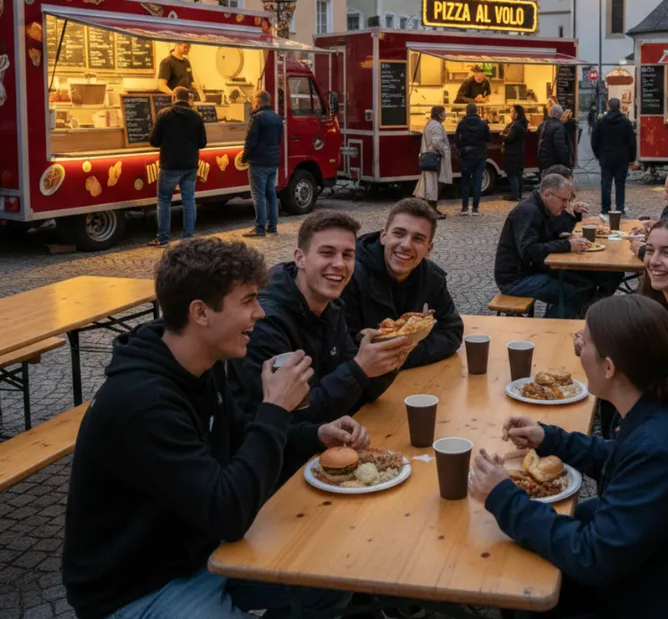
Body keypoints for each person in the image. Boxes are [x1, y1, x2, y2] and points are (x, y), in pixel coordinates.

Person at [62, 237, 365, 619]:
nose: (260, 313)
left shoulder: (204, 365)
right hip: (139, 588)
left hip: (203, 550)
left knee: (334, 577)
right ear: (201, 313)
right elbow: (229, 513)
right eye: (248, 301)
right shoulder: (143, 404)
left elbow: (240, 437)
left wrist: (314, 434)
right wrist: (274, 408)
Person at [468, 295, 668, 619]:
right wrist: (551, 439)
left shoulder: (659, 446)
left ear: (610, 367)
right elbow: (625, 457)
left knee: (530, 590)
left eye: (584, 342)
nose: (577, 348)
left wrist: (503, 497)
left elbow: (595, 557)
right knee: (568, 528)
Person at [229, 211, 409, 424]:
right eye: (327, 253)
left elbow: (360, 393)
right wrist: (359, 368)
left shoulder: (331, 307)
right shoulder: (266, 323)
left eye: (348, 255)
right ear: (300, 258)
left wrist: (387, 360)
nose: (340, 264)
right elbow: (293, 416)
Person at [343, 198, 463, 368]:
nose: (406, 245)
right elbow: (342, 345)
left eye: (418, 239)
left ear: (429, 249)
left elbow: (452, 332)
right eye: (399, 233)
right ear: (383, 236)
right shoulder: (350, 275)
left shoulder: (432, 278)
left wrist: (401, 354)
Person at [494, 173, 592, 319]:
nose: (566, 205)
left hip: (532, 270)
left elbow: (555, 231)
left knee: (585, 282)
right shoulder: (529, 212)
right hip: (515, 279)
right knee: (573, 294)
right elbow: (528, 251)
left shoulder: (542, 208)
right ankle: (548, 332)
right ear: (547, 194)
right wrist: (567, 245)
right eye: (563, 200)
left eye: (568, 200)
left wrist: (571, 225)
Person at [148, 86, 206, 247]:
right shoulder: (196, 116)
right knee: (189, 200)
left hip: (170, 165)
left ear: (173, 97)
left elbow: (153, 141)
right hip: (190, 165)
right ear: (188, 99)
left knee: (164, 201)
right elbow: (202, 143)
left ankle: (163, 237)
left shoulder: (164, 115)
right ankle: (188, 237)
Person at [242, 90, 284, 237]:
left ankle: (259, 228)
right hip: (272, 161)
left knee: (258, 195)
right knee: (271, 194)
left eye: (253, 101)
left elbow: (250, 141)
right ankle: (272, 226)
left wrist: (244, 157)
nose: (253, 104)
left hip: (258, 161)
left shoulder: (257, 118)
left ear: (258, 102)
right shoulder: (277, 118)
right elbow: (279, 139)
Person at [591, 97, 636, 216]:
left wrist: (598, 155)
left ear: (608, 106)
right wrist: (632, 157)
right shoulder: (626, 122)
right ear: (619, 106)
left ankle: (605, 208)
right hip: (622, 157)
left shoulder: (601, 122)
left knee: (606, 183)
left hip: (606, 157)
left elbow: (594, 140)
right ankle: (619, 207)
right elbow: (632, 141)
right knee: (620, 183)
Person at [414, 106, 452, 219]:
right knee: (435, 185)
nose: (445, 115)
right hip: (435, 158)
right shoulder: (436, 126)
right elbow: (437, 143)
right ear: (439, 114)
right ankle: (431, 210)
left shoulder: (430, 124)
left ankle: (430, 209)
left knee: (431, 184)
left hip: (429, 157)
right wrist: (445, 150)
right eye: (444, 113)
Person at [456, 102, 490, 216]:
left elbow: (457, 140)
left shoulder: (462, 124)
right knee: (477, 181)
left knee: (465, 181)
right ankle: (475, 208)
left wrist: (463, 148)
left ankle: (464, 208)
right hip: (480, 155)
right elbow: (488, 138)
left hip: (467, 156)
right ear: (477, 111)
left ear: (466, 111)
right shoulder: (483, 124)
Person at [501, 104, 528, 202]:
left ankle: (514, 195)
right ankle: (519, 194)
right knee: (518, 174)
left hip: (512, 153)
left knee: (512, 174)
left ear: (516, 113)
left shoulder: (515, 125)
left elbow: (509, 138)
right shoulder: (522, 124)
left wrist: (502, 136)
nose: (510, 114)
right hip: (519, 152)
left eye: (512, 111)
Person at [537, 104, 573, 173]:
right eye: (561, 113)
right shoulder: (558, 127)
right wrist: (566, 162)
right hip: (553, 163)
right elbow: (560, 148)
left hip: (543, 162)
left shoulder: (543, 124)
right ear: (558, 114)